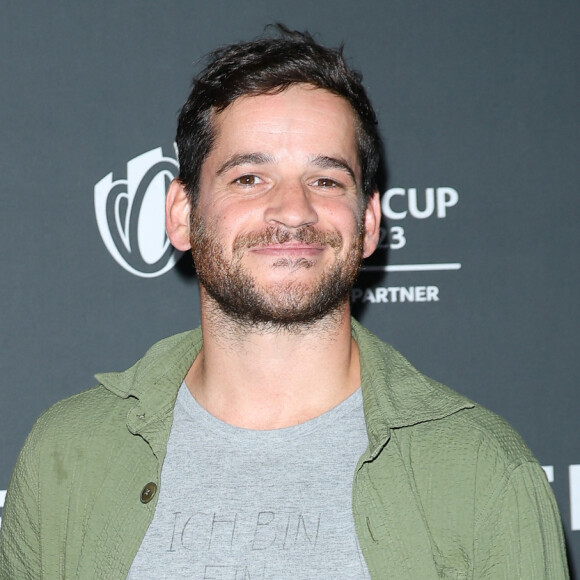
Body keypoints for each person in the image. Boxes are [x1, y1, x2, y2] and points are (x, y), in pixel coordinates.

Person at [0, 25, 569, 579]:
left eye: (326, 181)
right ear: (181, 215)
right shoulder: (66, 457)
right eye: (249, 178)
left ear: (368, 222)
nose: (293, 211)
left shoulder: (483, 472)